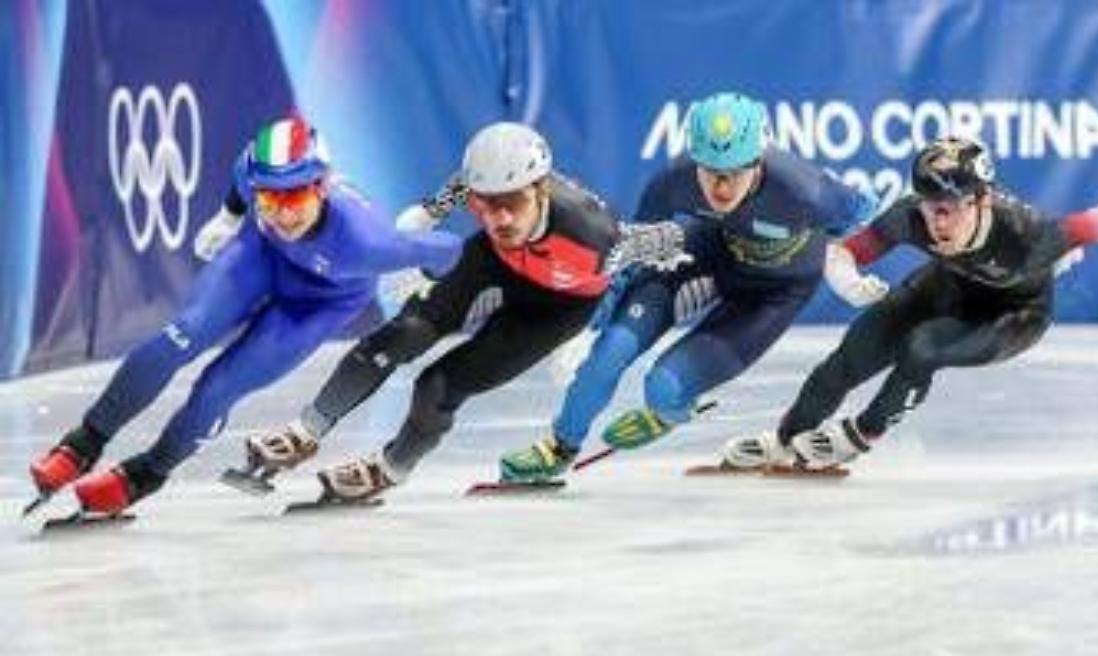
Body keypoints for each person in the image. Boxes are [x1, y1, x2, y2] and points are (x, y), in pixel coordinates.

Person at [26, 117, 463, 515]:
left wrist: (423, 275)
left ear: (323, 187)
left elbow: (449, 249)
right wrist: (229, 215)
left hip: (318, 303)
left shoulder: (367, 243)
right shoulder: (256, 180)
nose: (283, 212)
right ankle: (81, 445)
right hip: (261, 255)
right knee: (182, 333)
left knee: (218, 388)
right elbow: (243, 172)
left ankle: (147, 473)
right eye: (269, 198)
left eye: (294, 196)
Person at [239, 121, 689, 503]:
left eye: (512, 203)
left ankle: (393, 467)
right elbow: (464, 183)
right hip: (497, 262)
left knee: (438, 385)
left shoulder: (594, 234)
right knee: (403, 333)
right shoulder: (489, 203)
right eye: (485, 205)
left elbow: (654, 242)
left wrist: (595, 328)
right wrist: (431, 213)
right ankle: (305, 431)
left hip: (559, 307)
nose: (499, 218)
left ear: (540, 189)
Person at [497, 91, 880, 483]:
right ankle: (560, 446)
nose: (721, 187)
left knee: (662, 390)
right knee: (608, 353)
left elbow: (868, 210)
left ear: (759, 160)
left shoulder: (805, 192)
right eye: (710, 170)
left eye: (734, 172)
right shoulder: (673, 181)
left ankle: (670, 411)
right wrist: (589, 325)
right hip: (708, 252)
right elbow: (629, 257)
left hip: (772, 295)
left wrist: (843, 261)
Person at [719, 136, 1098, 471]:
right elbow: (843, 253)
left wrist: (1075, 238)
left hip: (1014, 313)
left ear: (981, 201)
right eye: (928, 206)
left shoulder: (1026, 232)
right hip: (948, 286)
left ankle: (861, 433)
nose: (936, 223)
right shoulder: (911, 217)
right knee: (852, 353)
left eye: (946, 209)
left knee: (923, 348)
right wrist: (847, 282)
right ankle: (786, 439)